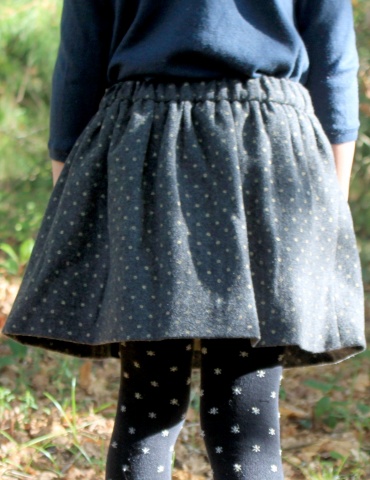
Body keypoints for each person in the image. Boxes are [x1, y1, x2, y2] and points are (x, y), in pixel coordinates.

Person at [2, 0, 366, 478]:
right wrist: (332, 206)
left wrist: (76, 194)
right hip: (268, 149)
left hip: (147, 150)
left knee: (147, 407)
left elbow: (79, 63)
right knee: (247, 413)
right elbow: (334, 58)